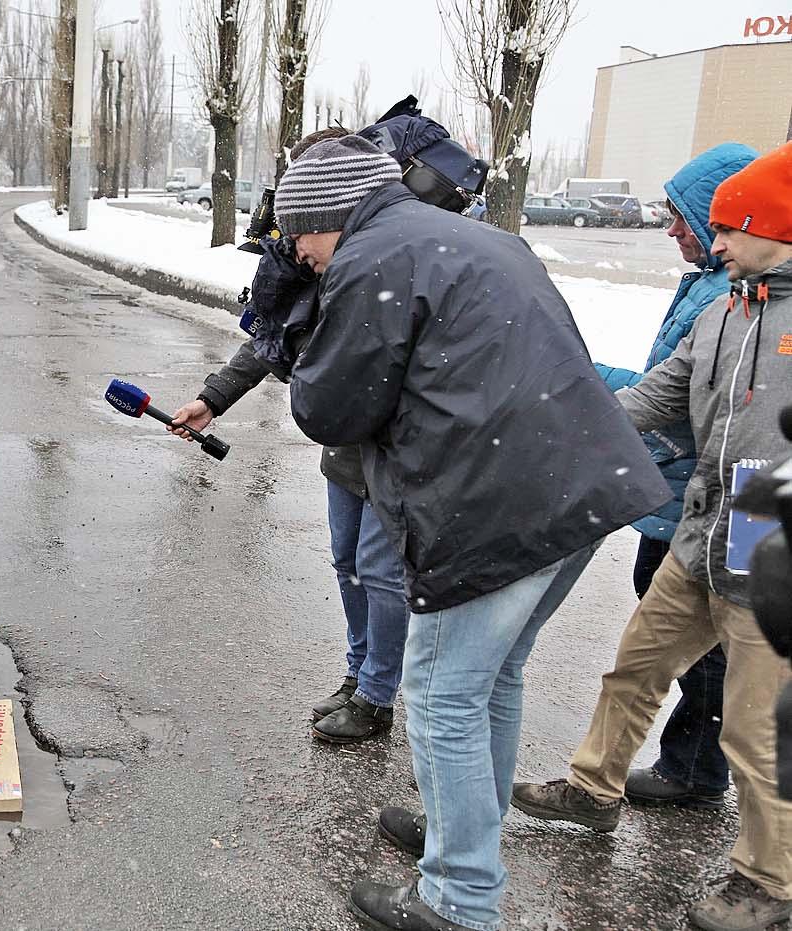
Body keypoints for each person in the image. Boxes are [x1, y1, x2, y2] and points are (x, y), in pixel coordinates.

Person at [279, 135, 669, 931]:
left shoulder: (370, 260)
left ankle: (458, 896)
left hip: (494, 504)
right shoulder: (477, 238)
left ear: (326, 217)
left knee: (442, 694)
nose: (297, 253)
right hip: (577, 487)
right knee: (491, 678)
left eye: (298, 236)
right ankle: (465, 832)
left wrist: (295, 323)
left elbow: (327, 409)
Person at [512, 142, 792, 931]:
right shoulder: (724, 310)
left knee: (755, 724)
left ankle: (768, 881)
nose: (715, 242)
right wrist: (566, 420)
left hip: (772, 533)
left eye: (728, 229)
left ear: (772, 227)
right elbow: (658, 395)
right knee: (634, 667)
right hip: (702, 527)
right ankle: (591, 788)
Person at [172, 113, 487, 745]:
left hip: (400, 447)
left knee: (380, 569)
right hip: (347, 444)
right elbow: (278, 335)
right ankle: (357, 674)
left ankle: (376, 694)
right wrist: (214, 398)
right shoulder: (311, 258)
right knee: (349, 562)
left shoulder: (381, 259)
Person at [592, 143, 756, 808]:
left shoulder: (744, 301)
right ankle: (599, 781)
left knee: (718, 648)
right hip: (692, 493)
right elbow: (670, 387)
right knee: (651, 646)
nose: (675, 231)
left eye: (685, 217)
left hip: (731, 504)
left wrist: (583, 382)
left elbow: (696, 404)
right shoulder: (719, 292)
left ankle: (696, 771)